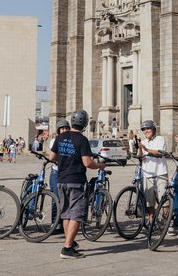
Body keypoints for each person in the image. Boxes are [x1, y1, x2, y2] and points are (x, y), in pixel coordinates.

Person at [49, 110, 106, 259]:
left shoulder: (60, 137)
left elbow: (52, 157)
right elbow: (87, 163)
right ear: (85, 124)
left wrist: (65, 160)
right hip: (76, 181)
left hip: (61, 180)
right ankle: (67, 248)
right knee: (76, 215)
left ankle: (70, 242)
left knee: (66, 214)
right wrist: (100, 166)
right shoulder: (82, 139)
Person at [136, 120, 168, 224]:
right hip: (148, 174)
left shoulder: (160, 139)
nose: (146, 131)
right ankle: (151, 222)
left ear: (154, 129)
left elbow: (160, 153)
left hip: (160, 173)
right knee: (150, 202)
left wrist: (146, 149)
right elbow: (141, 158)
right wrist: (140, 148)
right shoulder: (143, 142)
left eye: (148, 129)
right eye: (144, 129)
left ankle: (166, 221)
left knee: (164, 200)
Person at [49, 119, 71, 233]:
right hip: (56, 172)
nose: (65, 130)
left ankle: (64, 223)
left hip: (67, 172)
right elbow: (53, 157)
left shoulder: (71, 140)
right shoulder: (54, 140)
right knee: (56, 198)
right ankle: (55, 223)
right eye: (62, 128)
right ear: (58, 130)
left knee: (66, 199)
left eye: (66, 128)